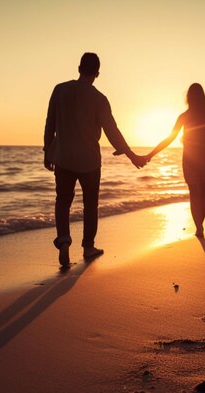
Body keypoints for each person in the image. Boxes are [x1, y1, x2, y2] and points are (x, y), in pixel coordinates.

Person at [43, 52, 146, 267]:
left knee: (63, 201)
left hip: (63, 157)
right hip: (89, 161)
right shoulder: (99, 99)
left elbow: (50, 123)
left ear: (79, 68)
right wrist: (129, 153)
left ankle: (63, 240)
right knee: (90, 204)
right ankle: (88, 247)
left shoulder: (60, 90)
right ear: (97, 73)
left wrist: (47, 151)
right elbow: (112, 131)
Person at [146, 83, 205, 238]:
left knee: (196, 193)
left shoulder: (187, 116)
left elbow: (170, 138)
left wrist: (150, 155)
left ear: (188, 98)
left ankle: (199, 226)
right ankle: (199, 226)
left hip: (193, 159)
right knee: (201, 193)